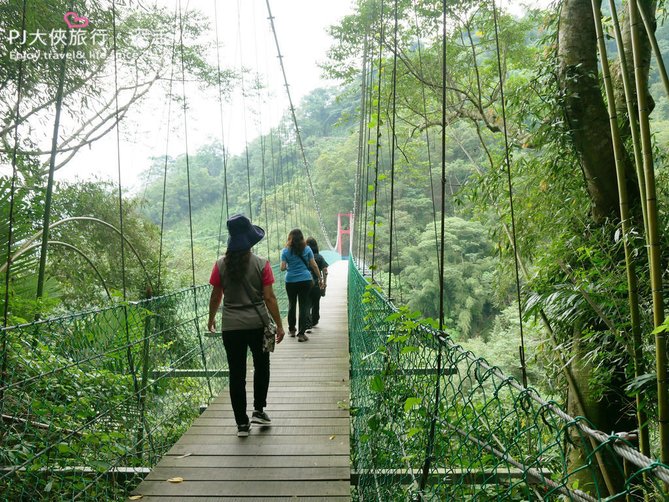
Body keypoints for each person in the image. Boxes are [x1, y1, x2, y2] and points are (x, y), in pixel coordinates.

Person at [207, 214, 285, 437]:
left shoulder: (220, 265)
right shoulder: (262, 264)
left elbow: (215, 296)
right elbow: (270, 298)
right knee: (262, 366)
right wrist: (279, 325)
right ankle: (258, 409)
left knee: (236, 374)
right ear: (251, 239)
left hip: (230, 327)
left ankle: (241, 423)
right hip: (257, 324)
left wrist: (211, 318)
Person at [280, 229, 322, 342]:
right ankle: (301, 334)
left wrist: (290, 266)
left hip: (290, 281)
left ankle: (292, 330)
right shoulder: (307, 249)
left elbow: (282, 268)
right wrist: (319, 278)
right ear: (302, 238)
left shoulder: (285, 251)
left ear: (290, 238)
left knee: (292, 304)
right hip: (305, 280)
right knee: (303, 306)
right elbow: (314, 265)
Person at [306, 237, 328, 329]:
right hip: (316, 284)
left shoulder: (304, 256)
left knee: (307, 303)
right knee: (316, 302)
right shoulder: (319, 257)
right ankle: (314, 320)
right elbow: (325, 270)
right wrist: (324, 282)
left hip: (305, 283)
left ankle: (307, 322)